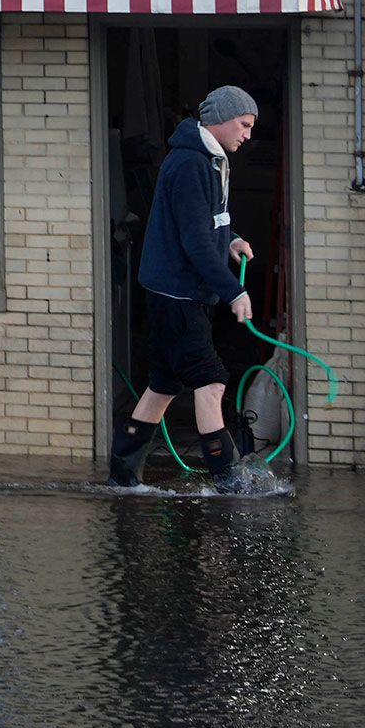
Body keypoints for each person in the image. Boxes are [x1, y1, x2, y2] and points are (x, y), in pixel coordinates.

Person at [108, 85, 260, 492]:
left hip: (172, 290)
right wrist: (233, 290)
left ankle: (123, 475)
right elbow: (193, 240)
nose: (247, 134)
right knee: (211, 382)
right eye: (244, 125)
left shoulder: (208, 160)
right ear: (222, 119)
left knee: (163, 385)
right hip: (178, 293)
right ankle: (228, 484)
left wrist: (229, 240)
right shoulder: (192, 164)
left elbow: (205, 223)